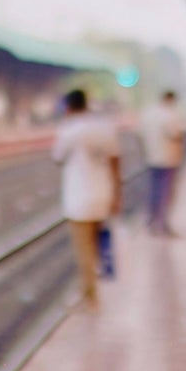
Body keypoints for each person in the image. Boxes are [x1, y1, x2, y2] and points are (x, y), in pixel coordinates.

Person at [51, 87, 121, 306]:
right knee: (96, 245)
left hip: (79, 200)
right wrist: (117, 194)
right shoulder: (104, 128)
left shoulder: (69, 130)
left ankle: (91, 299)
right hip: (103, 193)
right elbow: (115, 162)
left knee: (84, 252)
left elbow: (58, 157)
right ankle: (89, 290)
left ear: (69, 107)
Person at [139, 88, 186, 233]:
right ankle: (162, 223)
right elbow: (176, 134)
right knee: (165, 192)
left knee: (153, 190)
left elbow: (140, 134)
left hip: (152, 157)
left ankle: (151, 220)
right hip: (168, 159)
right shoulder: (170, 115)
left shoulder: (148, 113)